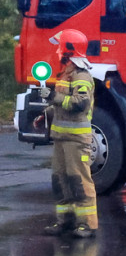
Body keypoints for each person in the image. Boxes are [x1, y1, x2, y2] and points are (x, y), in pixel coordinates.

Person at [33, 29, 98, 238]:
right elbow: (61, 105)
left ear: (69, 50)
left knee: (79, 182)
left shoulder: (81, 76)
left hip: (76, 140)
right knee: (60, 181)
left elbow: (80, 104)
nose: (57, 51)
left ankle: (87, 224)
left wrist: (53, 96)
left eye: (60, 47)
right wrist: (46, 114)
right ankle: (65, 221)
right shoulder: (65, 75)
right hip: (61, 138)